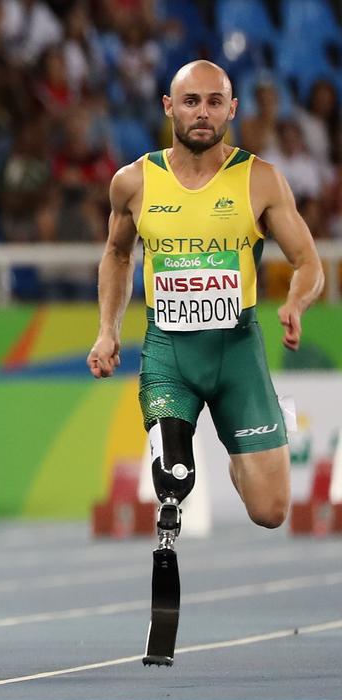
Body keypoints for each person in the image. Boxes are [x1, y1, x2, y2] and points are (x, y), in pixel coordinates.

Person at [88, 60, 324, 535]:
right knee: (174, 480)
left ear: (231, 109)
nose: (202, 112)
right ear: (168, 106)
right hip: (169, 355)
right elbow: (116, 255)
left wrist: (295, 303)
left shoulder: (260, 179)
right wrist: (107, 332)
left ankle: (244, 436)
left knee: (270, 511)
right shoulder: (133, 182)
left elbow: (309, 263)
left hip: (238, 353)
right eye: (191, 101)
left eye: (214, 102)